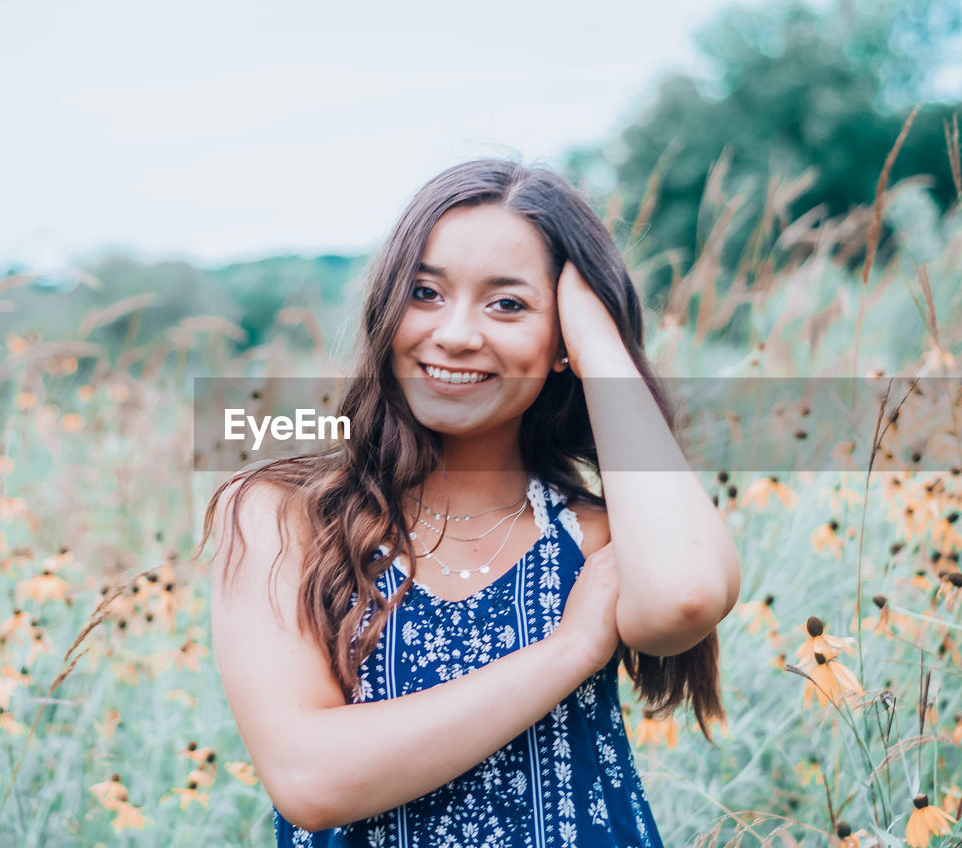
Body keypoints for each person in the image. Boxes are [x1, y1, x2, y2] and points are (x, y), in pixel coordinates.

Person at [200, 158, 741, 847]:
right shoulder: (284, 516)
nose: (455, 333)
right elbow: (311, 780)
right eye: (424, 293)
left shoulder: (603, 535)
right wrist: (569, 650)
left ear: (562, 345)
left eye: (508, 304)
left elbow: (686, 598)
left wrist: (599, 340)